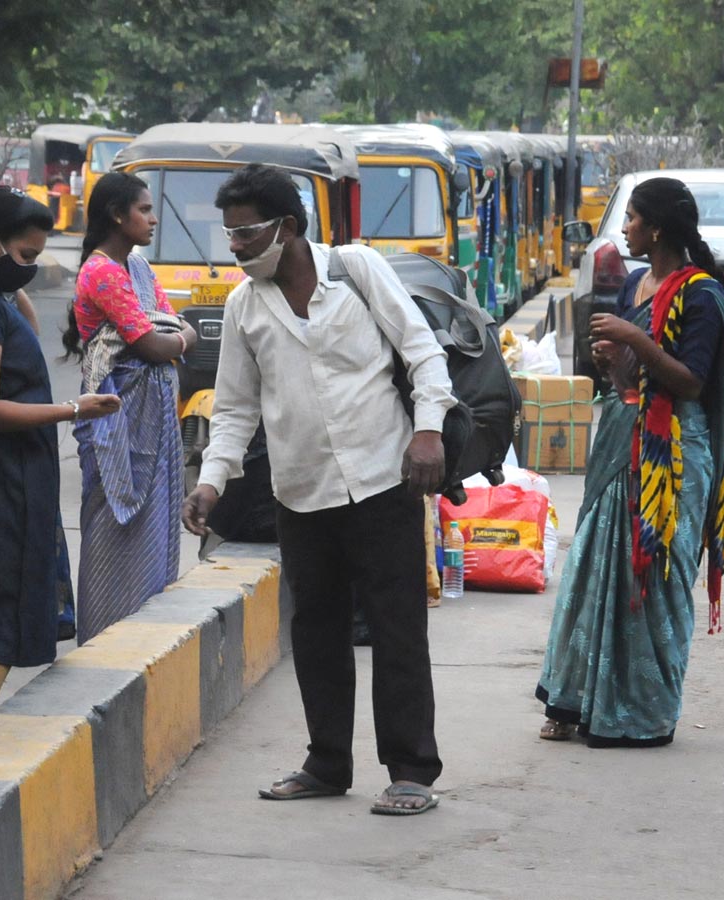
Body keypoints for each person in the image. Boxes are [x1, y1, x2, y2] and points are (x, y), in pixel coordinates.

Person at [181, 164, 453, 815]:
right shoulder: (245, 305)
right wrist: (212, 483)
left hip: (384, 478)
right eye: (230, 235)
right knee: (317, 632)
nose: (236, 247)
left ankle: (411, 768)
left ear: (289, 227)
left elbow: (422, 351)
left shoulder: (355, 271)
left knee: (397, 627)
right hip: (300, 494)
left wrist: (429, 430)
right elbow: (236, 409)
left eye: (246, 234)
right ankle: (327, 762)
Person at [536, 177, 724, 748]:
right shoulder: (637, 286)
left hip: (671, 457)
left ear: (658, 228)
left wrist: (634, 341)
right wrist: (613, 360)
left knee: (658, 578)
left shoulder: (702, 295)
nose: (624, 230)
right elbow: (630, 380)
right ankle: (578, 701)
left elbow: (691, 382)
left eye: (633, 220)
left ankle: (643, 712)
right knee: (596, 568)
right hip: (621, 441)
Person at [0, 186, 119, 727]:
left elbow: (23, 340)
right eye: (26, 257)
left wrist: (13, 284)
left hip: (6, 479)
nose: (30, 269)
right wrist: (72, 409)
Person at [63, 172, 196, 643]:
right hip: (117, 416)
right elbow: (154, 342)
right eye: (144, 209)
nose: (154, 218)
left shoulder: (138, 268)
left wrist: (171, 337)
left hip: (153, 414)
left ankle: (146, 636)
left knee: (155, 518)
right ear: (117, 216)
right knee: (114, 526)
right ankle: (104, 638)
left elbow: (168, 328)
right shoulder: (101, 271)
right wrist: (176, 338)